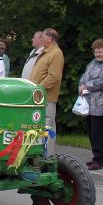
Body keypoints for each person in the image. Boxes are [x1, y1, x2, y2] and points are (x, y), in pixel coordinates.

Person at [78, 39, 103, 170]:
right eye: (96, 52)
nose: (97, 54)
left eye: (100, 52)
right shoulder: (92, 63)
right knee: (91, 132)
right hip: (89, 103)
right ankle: (98, 158)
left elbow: (102, 82)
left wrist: (85, 86)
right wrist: (81, 85)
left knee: (98, 132)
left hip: (101, 104)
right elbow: (84, 75)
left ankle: (99, 159)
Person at [29, 28, 64, 156]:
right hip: (39, 98)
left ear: (50, 38)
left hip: (46, 98)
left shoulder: (56, 53)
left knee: (47, 127)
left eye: (42, 37)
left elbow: (53, 77)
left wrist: (38, 89)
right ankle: (39, 155)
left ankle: (48, 157)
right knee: (39, 127)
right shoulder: (47, 52)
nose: (41, 39)